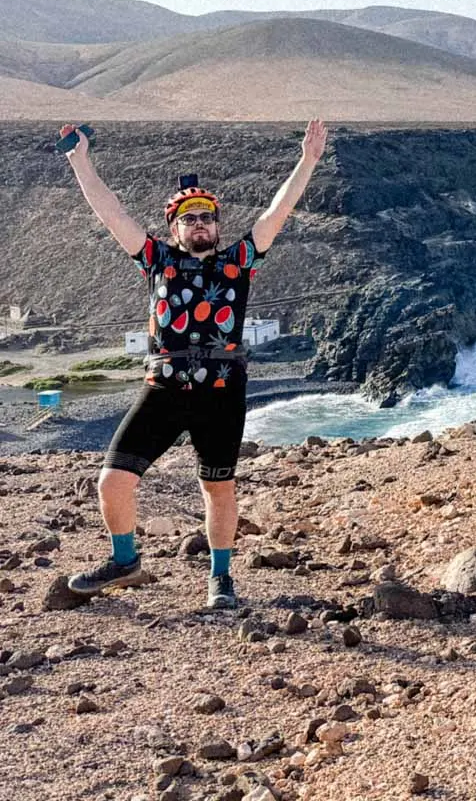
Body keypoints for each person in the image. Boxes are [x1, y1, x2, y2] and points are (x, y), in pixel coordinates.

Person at [60, 119, 328, 609]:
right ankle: (125, 561)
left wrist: (307, 161)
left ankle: (220, 578)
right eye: (188, 218)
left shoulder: (240, 262)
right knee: (113, 480)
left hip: (222, 391)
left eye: (206, 216)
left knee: (218, 487)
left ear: (218, 225)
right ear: (174, 228)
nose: (199, 223)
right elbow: (110, 212)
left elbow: (278, 210)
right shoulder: (156, 260)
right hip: (162, 386)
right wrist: (80, 160)